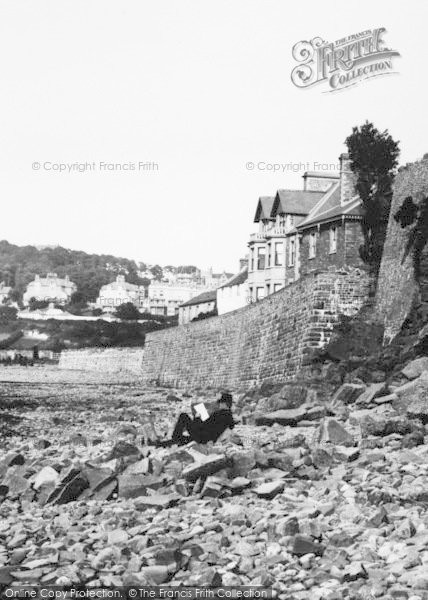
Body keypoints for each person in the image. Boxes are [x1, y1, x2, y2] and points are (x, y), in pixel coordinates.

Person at [155, 392, 236, 447]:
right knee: (184, 439)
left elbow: (205, 425)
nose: (219, 405)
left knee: (183, 416)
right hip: (208, 438)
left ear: (224, 404)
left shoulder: (218, 413)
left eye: (220, 403)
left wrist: (197, 417)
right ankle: (165, 443)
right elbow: (228, 425)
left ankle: (173, 438)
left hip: (202, 437)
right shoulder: (229, 416)